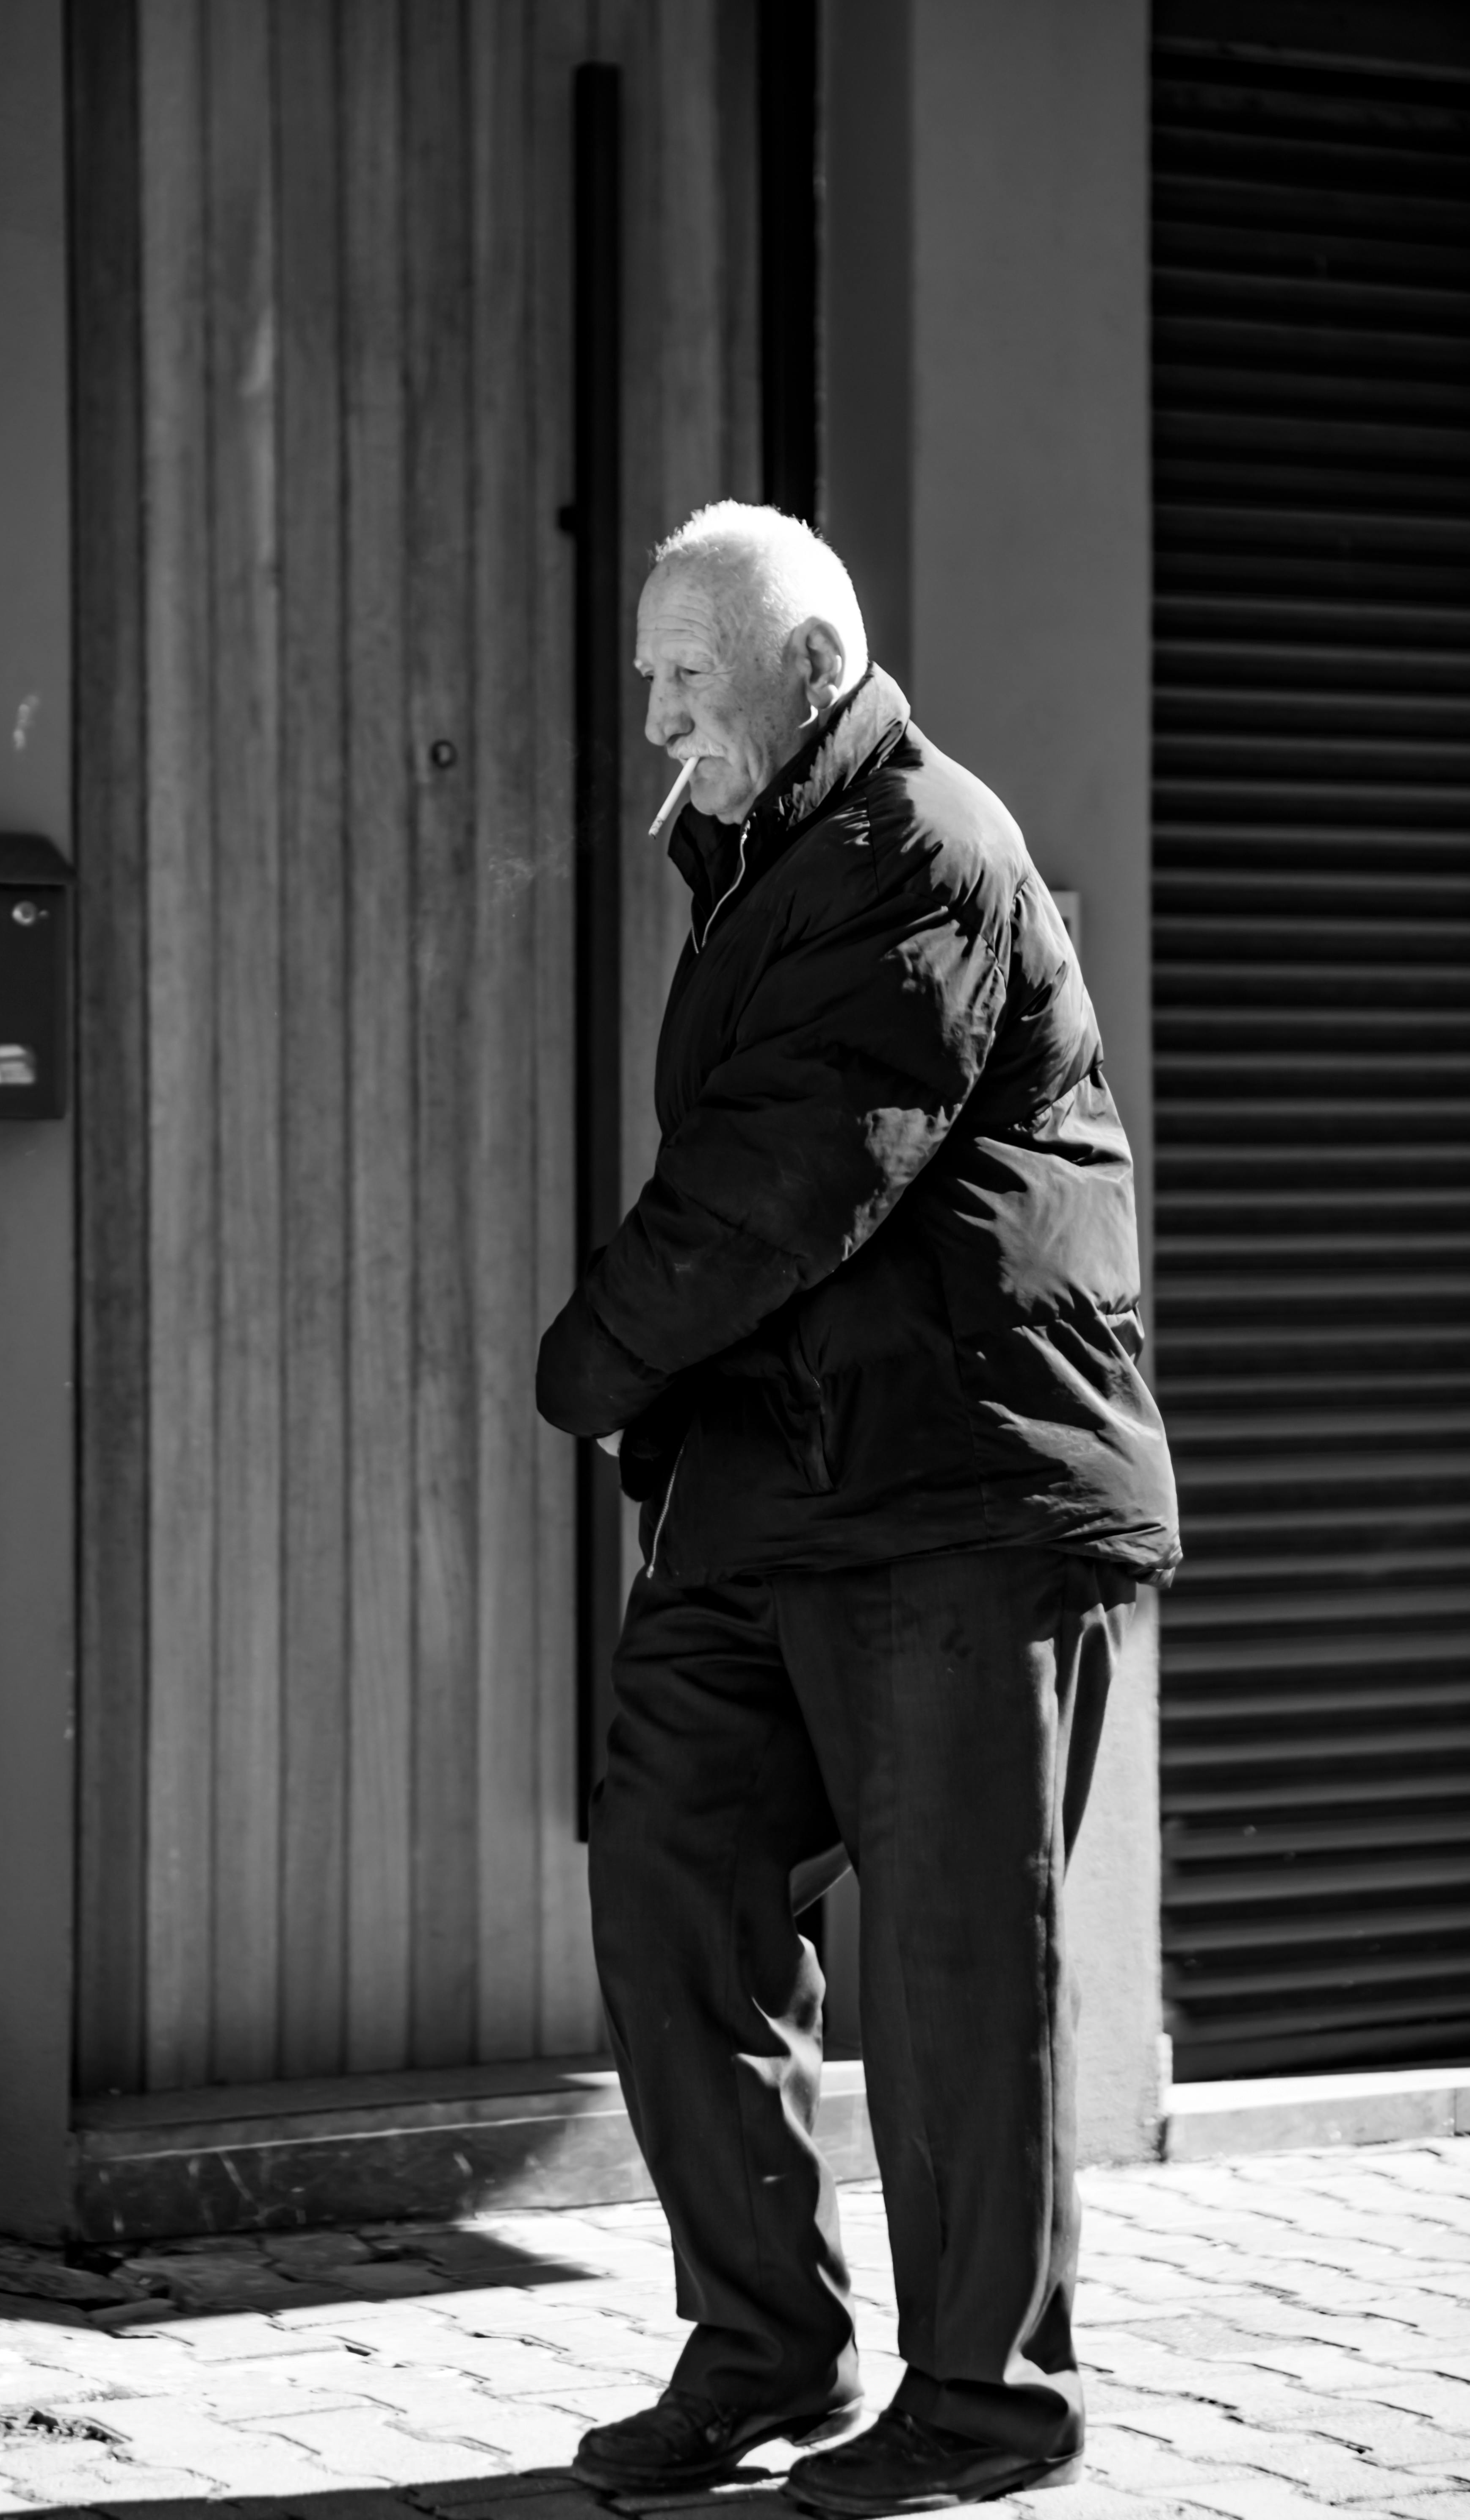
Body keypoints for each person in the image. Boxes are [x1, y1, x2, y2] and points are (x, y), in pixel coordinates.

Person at [535, 502, 1179, 2516]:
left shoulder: (919, 851)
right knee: (666, 1872)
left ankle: (989, 2404)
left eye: (682, 676)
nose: (652, 716)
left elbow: (793, 1170)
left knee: (949, 1963)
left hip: (958, 1489)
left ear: (804, 671)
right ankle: (761, 2351)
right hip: (783, 1485)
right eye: (648, 673)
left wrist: (588, 1362)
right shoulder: (760, 853)